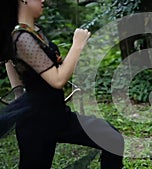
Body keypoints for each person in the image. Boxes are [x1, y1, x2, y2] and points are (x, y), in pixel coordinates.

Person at [0, 0, 124, 168]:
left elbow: (13, 61)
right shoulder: (22, 37)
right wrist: (77, 45)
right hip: (36, 122)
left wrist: (19, 93)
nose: (43, 0)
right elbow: (57, 80)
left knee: (112, 138)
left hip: (58, 115)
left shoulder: (33, 32)